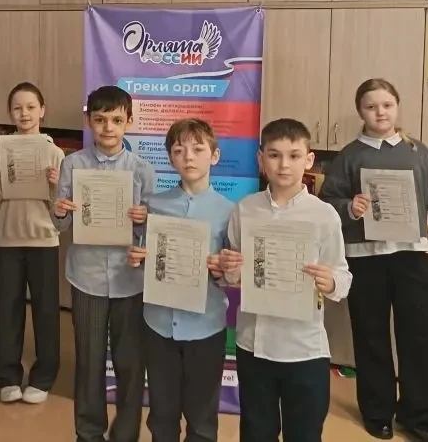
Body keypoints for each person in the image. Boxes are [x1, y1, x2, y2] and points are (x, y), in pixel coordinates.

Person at [321, 78, 428, 442]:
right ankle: (377, 413)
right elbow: (326, 204)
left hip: (411, 257)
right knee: (370, 336)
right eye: (371, 106)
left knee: (419, 336)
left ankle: (420, 417)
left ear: (397, 106)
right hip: (364, 258)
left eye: (387, 105)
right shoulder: (349, 155)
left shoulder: (417, 152)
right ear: (361, 112)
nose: (380, 112)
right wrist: (350, 208)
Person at [219, 118, 352, 442]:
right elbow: (234, 275)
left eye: (294, 156)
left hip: (304, 348)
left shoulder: (323, 215)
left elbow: (342, 275)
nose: (283, 165)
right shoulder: (245, 209)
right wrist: (229, 267)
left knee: (304, 433)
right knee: (256, 431)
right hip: (253, 345)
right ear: (260, 159)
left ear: (308, 160)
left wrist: (330, 282)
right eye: (274, 155)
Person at [52, 85, 155, 442]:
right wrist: (59, 211)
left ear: (129, 121)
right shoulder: (73, 164)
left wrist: (144, 220)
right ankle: (89, 432)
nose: (108, 127)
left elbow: (151, 233)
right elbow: (61, 225)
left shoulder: (142, 170)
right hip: (87, 277)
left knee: (130, 363)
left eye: (116, 120)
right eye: (100, 120)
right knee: (89, 360)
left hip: (130, 279)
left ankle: (125, 434)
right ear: (89, 122)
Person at [127, 118, 234, 442]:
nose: (188, 157)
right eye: (178, 150)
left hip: (205, 327)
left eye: (198, 149)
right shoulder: (154, 206)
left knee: (202, 418)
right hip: (158, 324)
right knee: (162, 414)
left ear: (214, 156)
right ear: (170, 158)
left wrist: (222, 270)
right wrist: (137, 259)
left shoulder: (230, 212)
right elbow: (144, 258)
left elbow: (233, 275)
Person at [0, 82, 64, 404]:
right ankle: (7, 376)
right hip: (9, 240)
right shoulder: (0, 150)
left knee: (46, 312)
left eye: (31, 107)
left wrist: (57, 185)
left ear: (42, 110)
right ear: (10, 113)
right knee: (7, 310)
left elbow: (66, 204)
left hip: (44, 240)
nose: (24, 113)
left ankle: (43, 378)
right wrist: (5, 184)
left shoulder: (54, 152)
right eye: (17, 108)